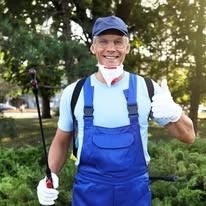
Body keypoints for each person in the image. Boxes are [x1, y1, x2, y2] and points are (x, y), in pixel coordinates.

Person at [37, 15, 195, 206]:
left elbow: (189, 137)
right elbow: (61, 142)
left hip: (134, 193)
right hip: (89, 193)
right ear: (93, 47)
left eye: (118, 42)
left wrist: (175, 113)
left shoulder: (148, 88)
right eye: (103, 41)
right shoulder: (74, 92)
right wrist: (50, 176)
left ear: (127, 47)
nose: (111, 48)